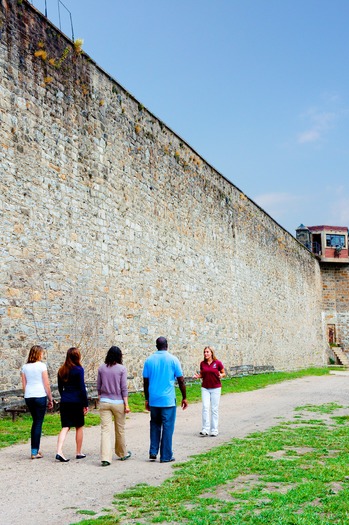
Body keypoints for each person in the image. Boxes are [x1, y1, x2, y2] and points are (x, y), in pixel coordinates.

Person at [143, 336, 188, 463]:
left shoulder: (149, 360)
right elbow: (181, 380)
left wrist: (147, 399)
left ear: (156, 346)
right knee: (168, 427)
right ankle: (165, 455)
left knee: (155, 424)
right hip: (168, 399)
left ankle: (153, 451)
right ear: (167, 345)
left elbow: (145, 382)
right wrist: (184, 397)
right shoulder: (173, 360)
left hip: (154, 399)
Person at [97, 346, 131, 467]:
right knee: (120, 429)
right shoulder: (122, 369)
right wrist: (126, 404)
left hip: (105, 401)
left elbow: (98, 386)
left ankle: (105, 458)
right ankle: (122, 453)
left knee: (105, 430)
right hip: (118, 402)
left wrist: (101, 397)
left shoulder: (101, 368)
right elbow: (124, 388)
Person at [55, 347, 88, 462]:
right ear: (77, 357)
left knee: (65, 427)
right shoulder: (79, 370)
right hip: (77, 401)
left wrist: (64, 396)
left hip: (65, 400)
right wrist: (85, 403)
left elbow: (60, 387)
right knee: (79, 426)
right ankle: (78, 452)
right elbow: (82, 388)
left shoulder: (61, 370)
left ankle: (59, 451)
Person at [21, 345, 53, 459]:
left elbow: (24, 385)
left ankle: (35, 449)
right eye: (42, 353)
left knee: (35, 422)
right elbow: (46, 384)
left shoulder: (24, 367)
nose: (42, 355)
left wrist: (27, 395)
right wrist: (50, 398)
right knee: (38, 423)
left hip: (29, 396)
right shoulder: (41, 366)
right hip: (40, 395)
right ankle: (34, 452)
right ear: (38, 354)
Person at [194, 346, 226, 437]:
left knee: (214, 409)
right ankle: (205, 429)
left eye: (207, 352)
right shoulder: (202, 363)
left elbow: (224, 373)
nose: (206, 354)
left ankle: (214, 430)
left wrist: (221, 375)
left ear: (211, 353)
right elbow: (202, 374)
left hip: (216, 388)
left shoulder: (218, 363)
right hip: (205, 388)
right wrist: (198, 376)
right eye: (204, 352)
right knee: (205, 407)